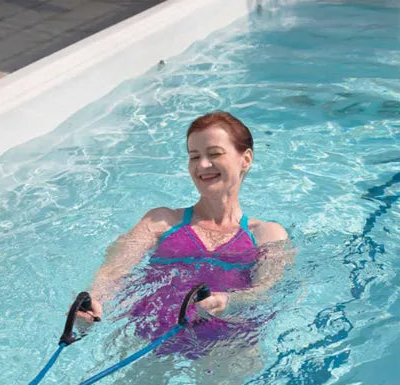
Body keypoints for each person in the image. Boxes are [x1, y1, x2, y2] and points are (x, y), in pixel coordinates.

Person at [78, 111, 289, 356]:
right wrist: (94, 299)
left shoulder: (267, 234)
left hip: (231, 344)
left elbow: (267, 291)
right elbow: (114, 270)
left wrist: (228, 301)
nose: (202, 165)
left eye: (215, 154)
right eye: (194, 156)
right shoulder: (161, 222)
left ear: (246, 159)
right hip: (151, 340)